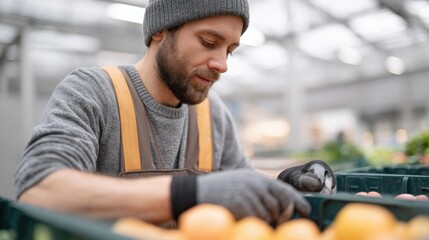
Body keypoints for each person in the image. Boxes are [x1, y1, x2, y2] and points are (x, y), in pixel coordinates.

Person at [14, 0, 335, 225]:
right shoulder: (92, 91)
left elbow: (241, 185)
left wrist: (288, 182)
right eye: (209, 41)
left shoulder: (214, 115)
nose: (222, 64)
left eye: (229, 50)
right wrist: (188, 194)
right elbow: (39, 190)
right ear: (159, 31)